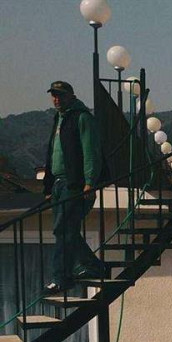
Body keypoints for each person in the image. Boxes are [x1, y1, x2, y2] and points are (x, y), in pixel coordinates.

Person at [42, 80, 107, 294]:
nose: (56, 99)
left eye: (60, 95)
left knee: (63, 229)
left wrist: (89, 182)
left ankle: (61, 277)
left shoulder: (82, 117)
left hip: (75, 184)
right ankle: (93, 265)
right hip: (59, 183)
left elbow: (91, 152)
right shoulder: (60, 119)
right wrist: (48, 186)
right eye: (54, 95)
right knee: (65, 230)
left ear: (71, 95)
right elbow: (52, 153)